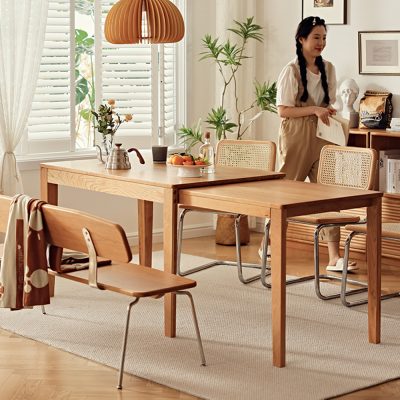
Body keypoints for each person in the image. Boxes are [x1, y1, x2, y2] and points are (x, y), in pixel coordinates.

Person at [259, 16, 357, 272]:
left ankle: (334, 257)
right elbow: (283, 110)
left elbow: (329, 104)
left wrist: (325, 111)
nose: (321, 43)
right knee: (285, 194)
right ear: (301, 39)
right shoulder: (290, 71)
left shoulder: (330, 69)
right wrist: (314, 109)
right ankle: (267, 244)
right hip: (296, 135)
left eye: (324, 38)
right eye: (316, 37)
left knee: (328, 195)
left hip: (324, 135)